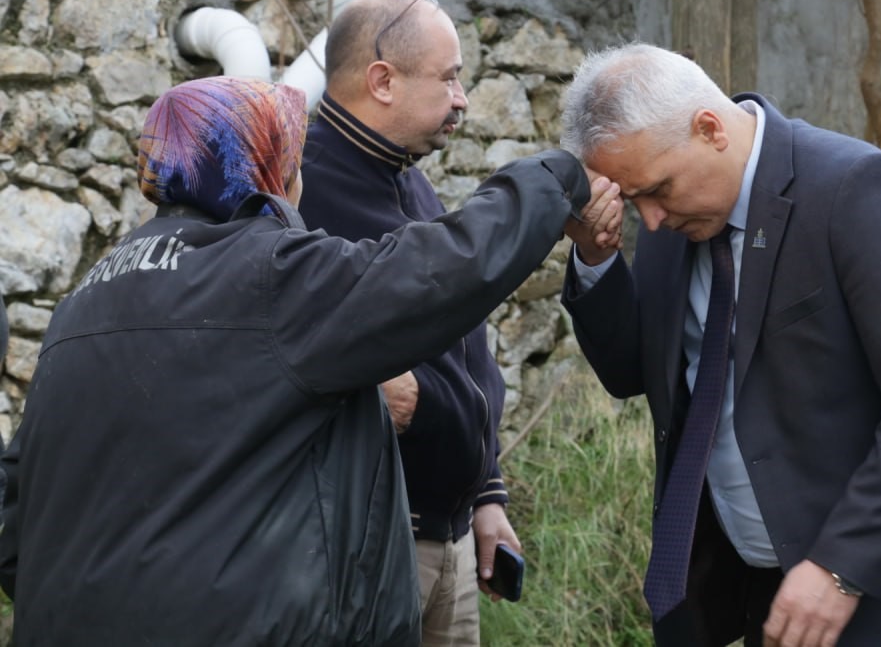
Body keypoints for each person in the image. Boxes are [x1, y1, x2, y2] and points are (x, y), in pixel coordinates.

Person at [0, 76, 590, 646]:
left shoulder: (83, 298)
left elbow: (16, 498)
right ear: (267, 166)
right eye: (293, 157)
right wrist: (551, 177)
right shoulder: (269, 274)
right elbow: (442, 269)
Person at [559, 43, 881, 647]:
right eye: (635, 199)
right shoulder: (675, 215)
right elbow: (631, 373)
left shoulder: (856, 188)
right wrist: (594, 259)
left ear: (710, 128)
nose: (652, 219)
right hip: (770, 591)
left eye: (657, 191)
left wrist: (841, 565)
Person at [296, 0, 530, 646]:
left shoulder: (410, 181)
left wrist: (485, 492)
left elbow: (466, 345)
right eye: (450, 78)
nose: (462, 99)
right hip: (366, 547)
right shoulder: (301, 193)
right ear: (382, 81)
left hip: (449, 542)